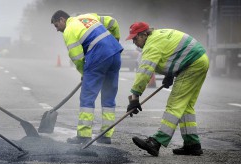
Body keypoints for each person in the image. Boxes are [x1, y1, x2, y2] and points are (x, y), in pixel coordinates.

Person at [126, 22, 209, 156]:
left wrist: (135, 97)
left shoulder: (151, 45)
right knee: (185, 106)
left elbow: (144, 72)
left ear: (144, 34)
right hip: (199, 60)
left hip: (192, 64)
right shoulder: (158, 36)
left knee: (174, 104)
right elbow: (172, 53)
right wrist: (170, 75)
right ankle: (192, 144)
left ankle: (156, 142)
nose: (134, 41)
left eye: (135, 38)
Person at [51, 10, 123, 144]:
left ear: (62, 19)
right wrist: (115, 40)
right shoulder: (88, 17)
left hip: (98, 56)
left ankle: (84, 135)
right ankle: (106, 135)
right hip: (115, 53)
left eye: (56, 25)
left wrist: (85, 73)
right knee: (108, 96)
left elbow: (77, 57)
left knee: (87, 97)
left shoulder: (69, 30)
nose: (57, 30)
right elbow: (113, 22)